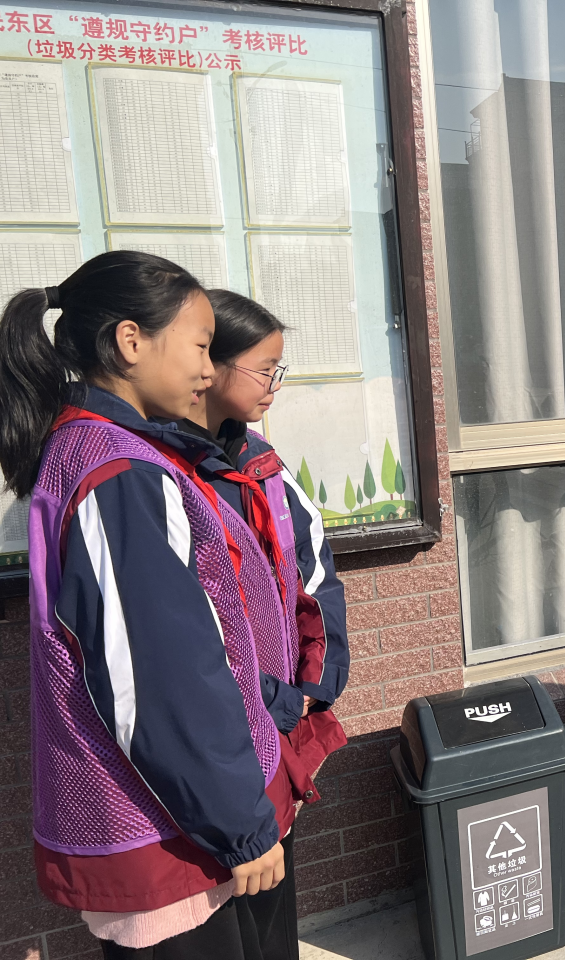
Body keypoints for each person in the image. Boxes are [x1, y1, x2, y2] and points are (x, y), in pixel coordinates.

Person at [0, 253, 290, 957]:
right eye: (200, 346)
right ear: (131, 341)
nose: (207, 370)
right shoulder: (117, 472)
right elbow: (160, 677)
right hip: (170, 832)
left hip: (184, 816)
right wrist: (240, 825)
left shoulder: (110, 451)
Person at [167, 289, 351, 955]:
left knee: (273, 921)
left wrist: (315, 685)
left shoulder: (262, 465)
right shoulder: (163, 475)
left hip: (278, 729)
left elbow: (313, 576)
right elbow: (186, 634)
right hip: (216, 739)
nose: (276, 384)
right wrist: (272, 698)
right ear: (209, 366)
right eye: (265, 369)